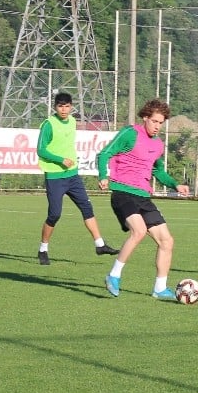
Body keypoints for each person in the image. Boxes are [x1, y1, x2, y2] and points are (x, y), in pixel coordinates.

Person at [96, 98, 190, 299]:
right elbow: (104, 154)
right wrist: (103, 176)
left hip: (143, 197)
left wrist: (175, 185)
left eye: (161, 123)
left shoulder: (158, 145)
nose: (157, 126)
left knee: (167, 241)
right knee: (138, 231)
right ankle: (114, 275)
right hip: (123, 193)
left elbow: (158, 172)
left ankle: (160, 288)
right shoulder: (130, 133)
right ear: (145, 117)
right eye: (154, 121)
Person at [36, 92, 119, 265]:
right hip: (55, 177)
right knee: (54, 214)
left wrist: (69, 162)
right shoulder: (49, 124)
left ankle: (100, 245)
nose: (64, 110)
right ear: (55, 107)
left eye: (67, 106)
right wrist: (60, 160)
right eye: (60, 106)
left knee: (87, 208)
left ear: (71, 107)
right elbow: (41, 150)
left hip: (73, 175)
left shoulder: (73, 121)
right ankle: (43, 249)